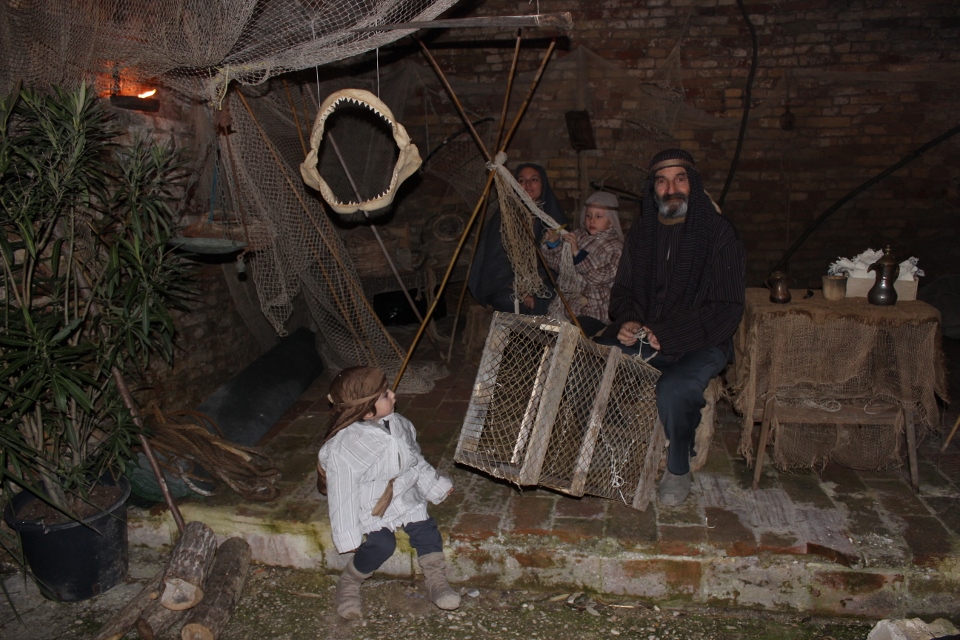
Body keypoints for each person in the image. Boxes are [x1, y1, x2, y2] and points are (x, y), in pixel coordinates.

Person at [598, 148, 745, 506]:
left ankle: (678, 467)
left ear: (691, 183)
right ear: (654, 189)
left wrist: (670, 333)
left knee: (675, 388)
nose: (671, 189)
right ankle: (613, 442)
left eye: (679, 179)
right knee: (592, 358)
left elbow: (727, 308)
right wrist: (629, 320)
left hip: (703, 341)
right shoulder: (642, 233)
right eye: (662, 182)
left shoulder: (719, 233)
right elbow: (624, 292)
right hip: (648, 335)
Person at [317, 366, 460, 619]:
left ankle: (436, 579)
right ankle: (350, 580)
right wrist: (348, 537)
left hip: (403, 492)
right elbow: (342, 494)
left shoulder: (399, 424)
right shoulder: (346, 447)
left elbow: (415, 460)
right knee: (382, 544)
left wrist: (433, 485)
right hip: (371, 501)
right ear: (366, 409)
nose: (393, 395)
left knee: (426, 529)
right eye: (385, 394)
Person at [468, 162, 567, 314]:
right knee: (510, 300)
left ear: (543, 184)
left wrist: (535, 285)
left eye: (534, 179)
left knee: (550, 297)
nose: (528, 185)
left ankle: (543, 328)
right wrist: (520, 287)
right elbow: (495, 262)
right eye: (521, 180)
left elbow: (562, 262)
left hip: (544, 280)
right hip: (507, 282)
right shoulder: (504, 216)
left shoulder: (552, 216)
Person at [540, 190, 624, 337]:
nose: (592, 220)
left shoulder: (616, 247)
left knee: (573, 337)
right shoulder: (577, 236)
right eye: (588, 215)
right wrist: (554, 245)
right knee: (546, 330)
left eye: (599, 216)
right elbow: (559, 266)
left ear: (611, 220)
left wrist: (578, 254)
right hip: (568, 308)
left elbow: (602, 276)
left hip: (594, 312)